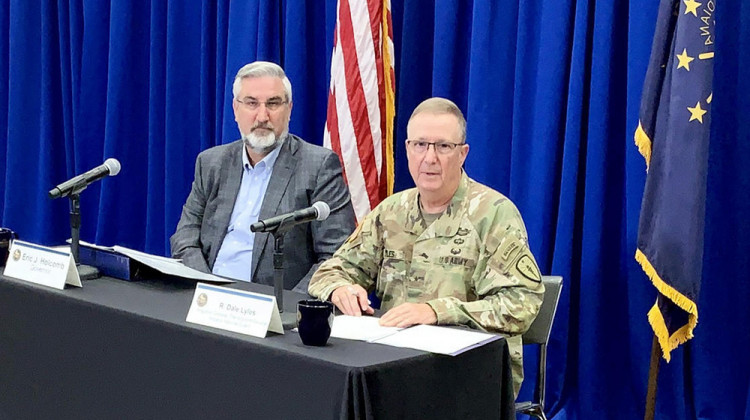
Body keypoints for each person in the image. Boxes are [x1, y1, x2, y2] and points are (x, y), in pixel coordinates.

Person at [308, 97, 544, 396]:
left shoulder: (493, 213)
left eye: (443, 146)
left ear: (462, 154)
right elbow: (330, 271)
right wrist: (340, 288)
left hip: (467, 371)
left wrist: (437, 311)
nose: (429, 158)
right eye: (420, 145)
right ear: (407, 149)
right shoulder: (391, 211)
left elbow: (522, 303)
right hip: (394, 363)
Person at [171, 61, 356, 293]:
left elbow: (335, 255)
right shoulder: (211, 162)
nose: (262, 116)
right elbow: (185, 236)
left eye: (273, 103)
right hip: (206, 297)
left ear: (289, 109)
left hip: (271, 308)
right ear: (235, 110)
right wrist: (205, 287)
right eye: (251, 103)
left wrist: (286, 306)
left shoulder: (318, 166)